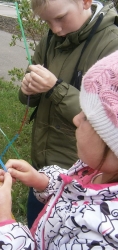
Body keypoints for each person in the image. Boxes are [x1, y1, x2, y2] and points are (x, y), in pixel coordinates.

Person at [0, 50, 118, 249]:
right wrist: (41, 180)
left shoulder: (103, 237)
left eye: (88, 117)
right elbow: (75, 189)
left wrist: (3, 217)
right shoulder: (97, 169)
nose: (76, 119)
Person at [18, 0, 118, 228]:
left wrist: (55, 87)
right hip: (43, 167)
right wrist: (28, 89)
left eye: (61, 18)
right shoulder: (51, 39)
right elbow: (28, 97)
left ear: (85, 2)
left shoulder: (111, 44)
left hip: (80, 171)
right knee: (38, 226)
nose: (55, 29)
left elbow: (104, 119)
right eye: (47, 21)